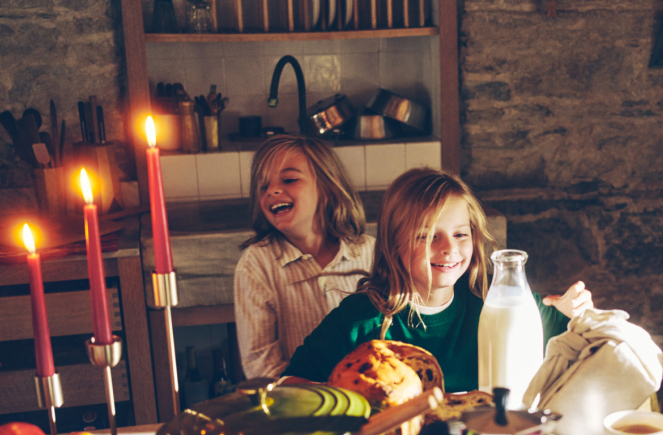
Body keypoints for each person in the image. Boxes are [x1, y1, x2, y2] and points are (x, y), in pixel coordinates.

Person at [285, 167, 593, 392]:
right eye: (428, 236)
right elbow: (290, 383)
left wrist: (575, 314)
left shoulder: (494, 297)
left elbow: (582, 347)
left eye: (460, 234)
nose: (449, 248)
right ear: (395, 243)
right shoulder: (361, 319)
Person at [234, 135, 375, 379]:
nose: (273, 191)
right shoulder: (256, 265)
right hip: (300, 407)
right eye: (263, 186)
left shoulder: (371, 252)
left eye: (289, 179)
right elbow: (261, 365)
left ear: (328, 187)